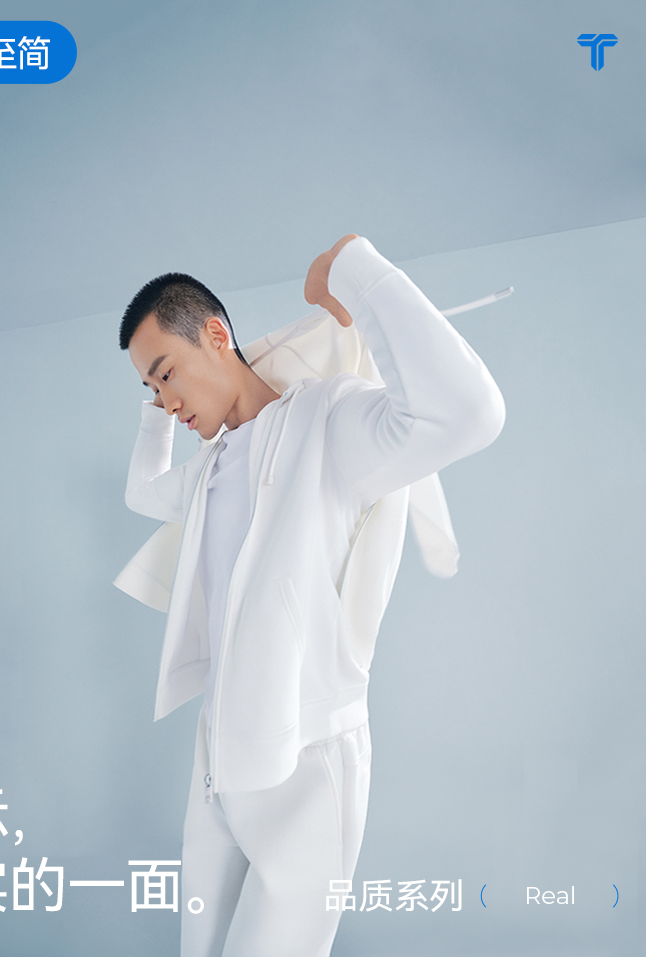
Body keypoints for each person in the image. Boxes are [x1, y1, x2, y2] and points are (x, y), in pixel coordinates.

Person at [116, 234, 505, 956]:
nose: (167, 402)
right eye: (151, 388)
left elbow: (467, 412)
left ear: (216, 335)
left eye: (166, 374)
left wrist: (354, 266)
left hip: (307, 756)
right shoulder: (209, 470)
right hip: (219, 757)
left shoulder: (329, 421)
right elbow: (143, 494)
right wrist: (152, 404)